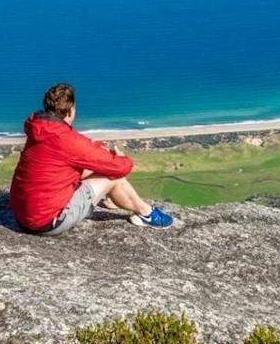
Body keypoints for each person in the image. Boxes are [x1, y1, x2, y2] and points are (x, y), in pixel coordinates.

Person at [10, 82, 174, 234]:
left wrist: (95, 150)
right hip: (47, 221)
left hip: (23, 216)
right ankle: (147, 213)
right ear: (70, 110)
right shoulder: (67, 140)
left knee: (91, 168)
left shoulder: (40, 131)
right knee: (113, 177)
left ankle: (116, 200)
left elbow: (65, 156)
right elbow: (119, 167)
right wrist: (122, 159)